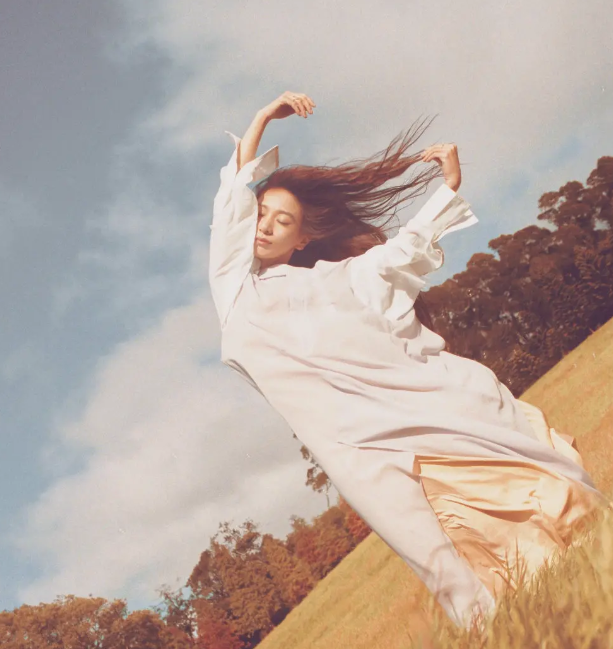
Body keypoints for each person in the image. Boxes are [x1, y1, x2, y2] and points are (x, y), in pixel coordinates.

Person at [208, 91, 610, 630]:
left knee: (513, 489)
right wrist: (260, 119)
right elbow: (231, 203)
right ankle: (493, 630)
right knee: (430, 551)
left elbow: (396, 256)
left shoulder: (336, 279)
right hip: (350, 446)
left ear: (302, 239)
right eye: (261, 214)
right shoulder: (235, 292)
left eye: (283, 221)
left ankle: (559, 579)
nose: (265, 225)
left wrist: (448, 190)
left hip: (406, 411)